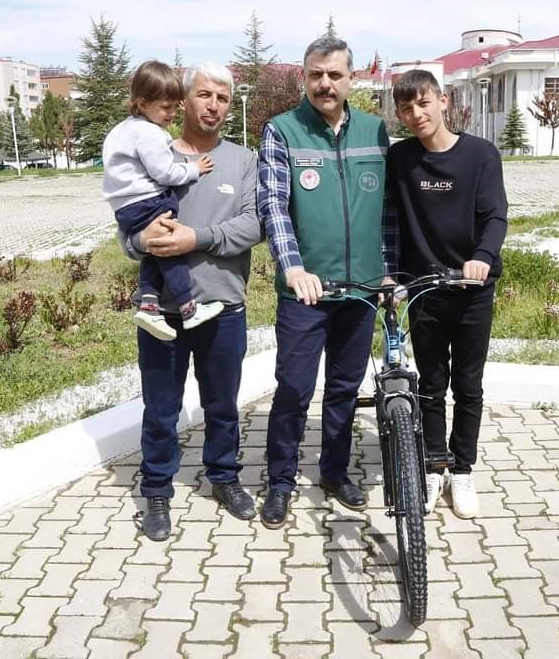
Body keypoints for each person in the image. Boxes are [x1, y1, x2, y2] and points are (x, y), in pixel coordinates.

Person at [119, 62, 262, 541]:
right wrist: (143, 242)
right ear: (184, 99)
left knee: (222, 405)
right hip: (161, 312)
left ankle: (223, 477)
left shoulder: (243, 161)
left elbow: (253, 226)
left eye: (222, 98)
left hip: (223, 307)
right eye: (205, 95)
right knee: (161, 407)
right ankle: (157, 490)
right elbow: (126, 230)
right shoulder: (153, 151)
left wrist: (194, 238)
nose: (214, 106)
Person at [257, 35, 394, 529]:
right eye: (316, 74)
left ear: (350, 79)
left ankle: (334, 472)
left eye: (335, 74)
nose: (325, 83)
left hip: (361, 290)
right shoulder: (283, 131)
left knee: (343, 387)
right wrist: (294, 268)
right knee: (293, 388)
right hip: (305, 291)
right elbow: (273, 206)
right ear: (304, 76)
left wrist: (388, 270)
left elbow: (389, 211)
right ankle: (279, 482)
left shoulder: (377, 132)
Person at [386, 69, 508, 519]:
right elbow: (388, 217)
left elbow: (496, 215)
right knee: (431, 386)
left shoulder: (480, 155)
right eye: (406, 108)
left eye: (423, 103)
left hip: (473, 288)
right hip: (425, 289)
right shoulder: (400, 159)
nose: (416, 114)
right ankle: (433, 465)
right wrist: (390, 274)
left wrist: (481, 256)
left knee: (468, 386)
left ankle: (463, 469)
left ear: (442, 101)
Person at [102, 60, 225, 342]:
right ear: (143, 104)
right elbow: (164, 172)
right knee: (170, 246)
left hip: (124, 207)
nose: (172, 113)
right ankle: (188, 307)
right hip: (146, 200)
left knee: (156, 250)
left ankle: (148, 303)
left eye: (175, 106)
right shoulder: (150, 133)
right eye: (166, 107)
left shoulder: (121, 130)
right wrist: (193, 169)